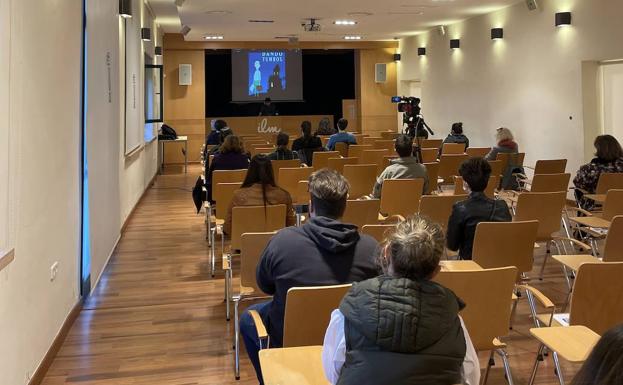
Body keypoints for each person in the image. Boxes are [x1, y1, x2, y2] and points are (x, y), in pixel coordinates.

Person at [239, 169, 379, 384]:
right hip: (349, 338)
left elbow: (265, 286)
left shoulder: (282, 241)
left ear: (311, 206)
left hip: (289, 338)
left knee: (249, 317)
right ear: (345, 206)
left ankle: (272, 378)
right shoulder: (371, 247)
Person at [322, 215, 480, 385]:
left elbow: (333, 374)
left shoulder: (348, 313)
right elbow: (471, 377)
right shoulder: (453, 322)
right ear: (436, 270)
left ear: (386, 252)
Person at [446, 157, 512, 260]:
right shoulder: (502, 206)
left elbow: (452, 245)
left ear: (465, 183)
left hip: (472, 267)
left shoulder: (460, 208)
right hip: (499, 264)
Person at [224, 155, 295, 235]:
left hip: (245, 245)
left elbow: (228, 228)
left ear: (250, 171)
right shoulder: (284, 196)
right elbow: (290, 225)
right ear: (270, 171)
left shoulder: (238, 196)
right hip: (275, 245)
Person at [371, 134, 429, 199]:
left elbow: (376, 194)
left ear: (395, 150)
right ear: (412, 149)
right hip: (415, 208)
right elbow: (425, 192)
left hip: (391, 208)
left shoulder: (389, 171)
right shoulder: (423, 169)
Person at [573, 135, 623, 207]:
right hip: (619, 205)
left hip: (595, 207)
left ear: (599, 150)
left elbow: (577, 182)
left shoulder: (590, 169)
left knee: (578, 190)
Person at [206, 135, 249, 202]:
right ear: (239, 144)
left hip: (218, 198)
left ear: (224, 144)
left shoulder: (217, 159)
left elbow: (209, 180)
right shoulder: (244, 159)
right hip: (240, 198)